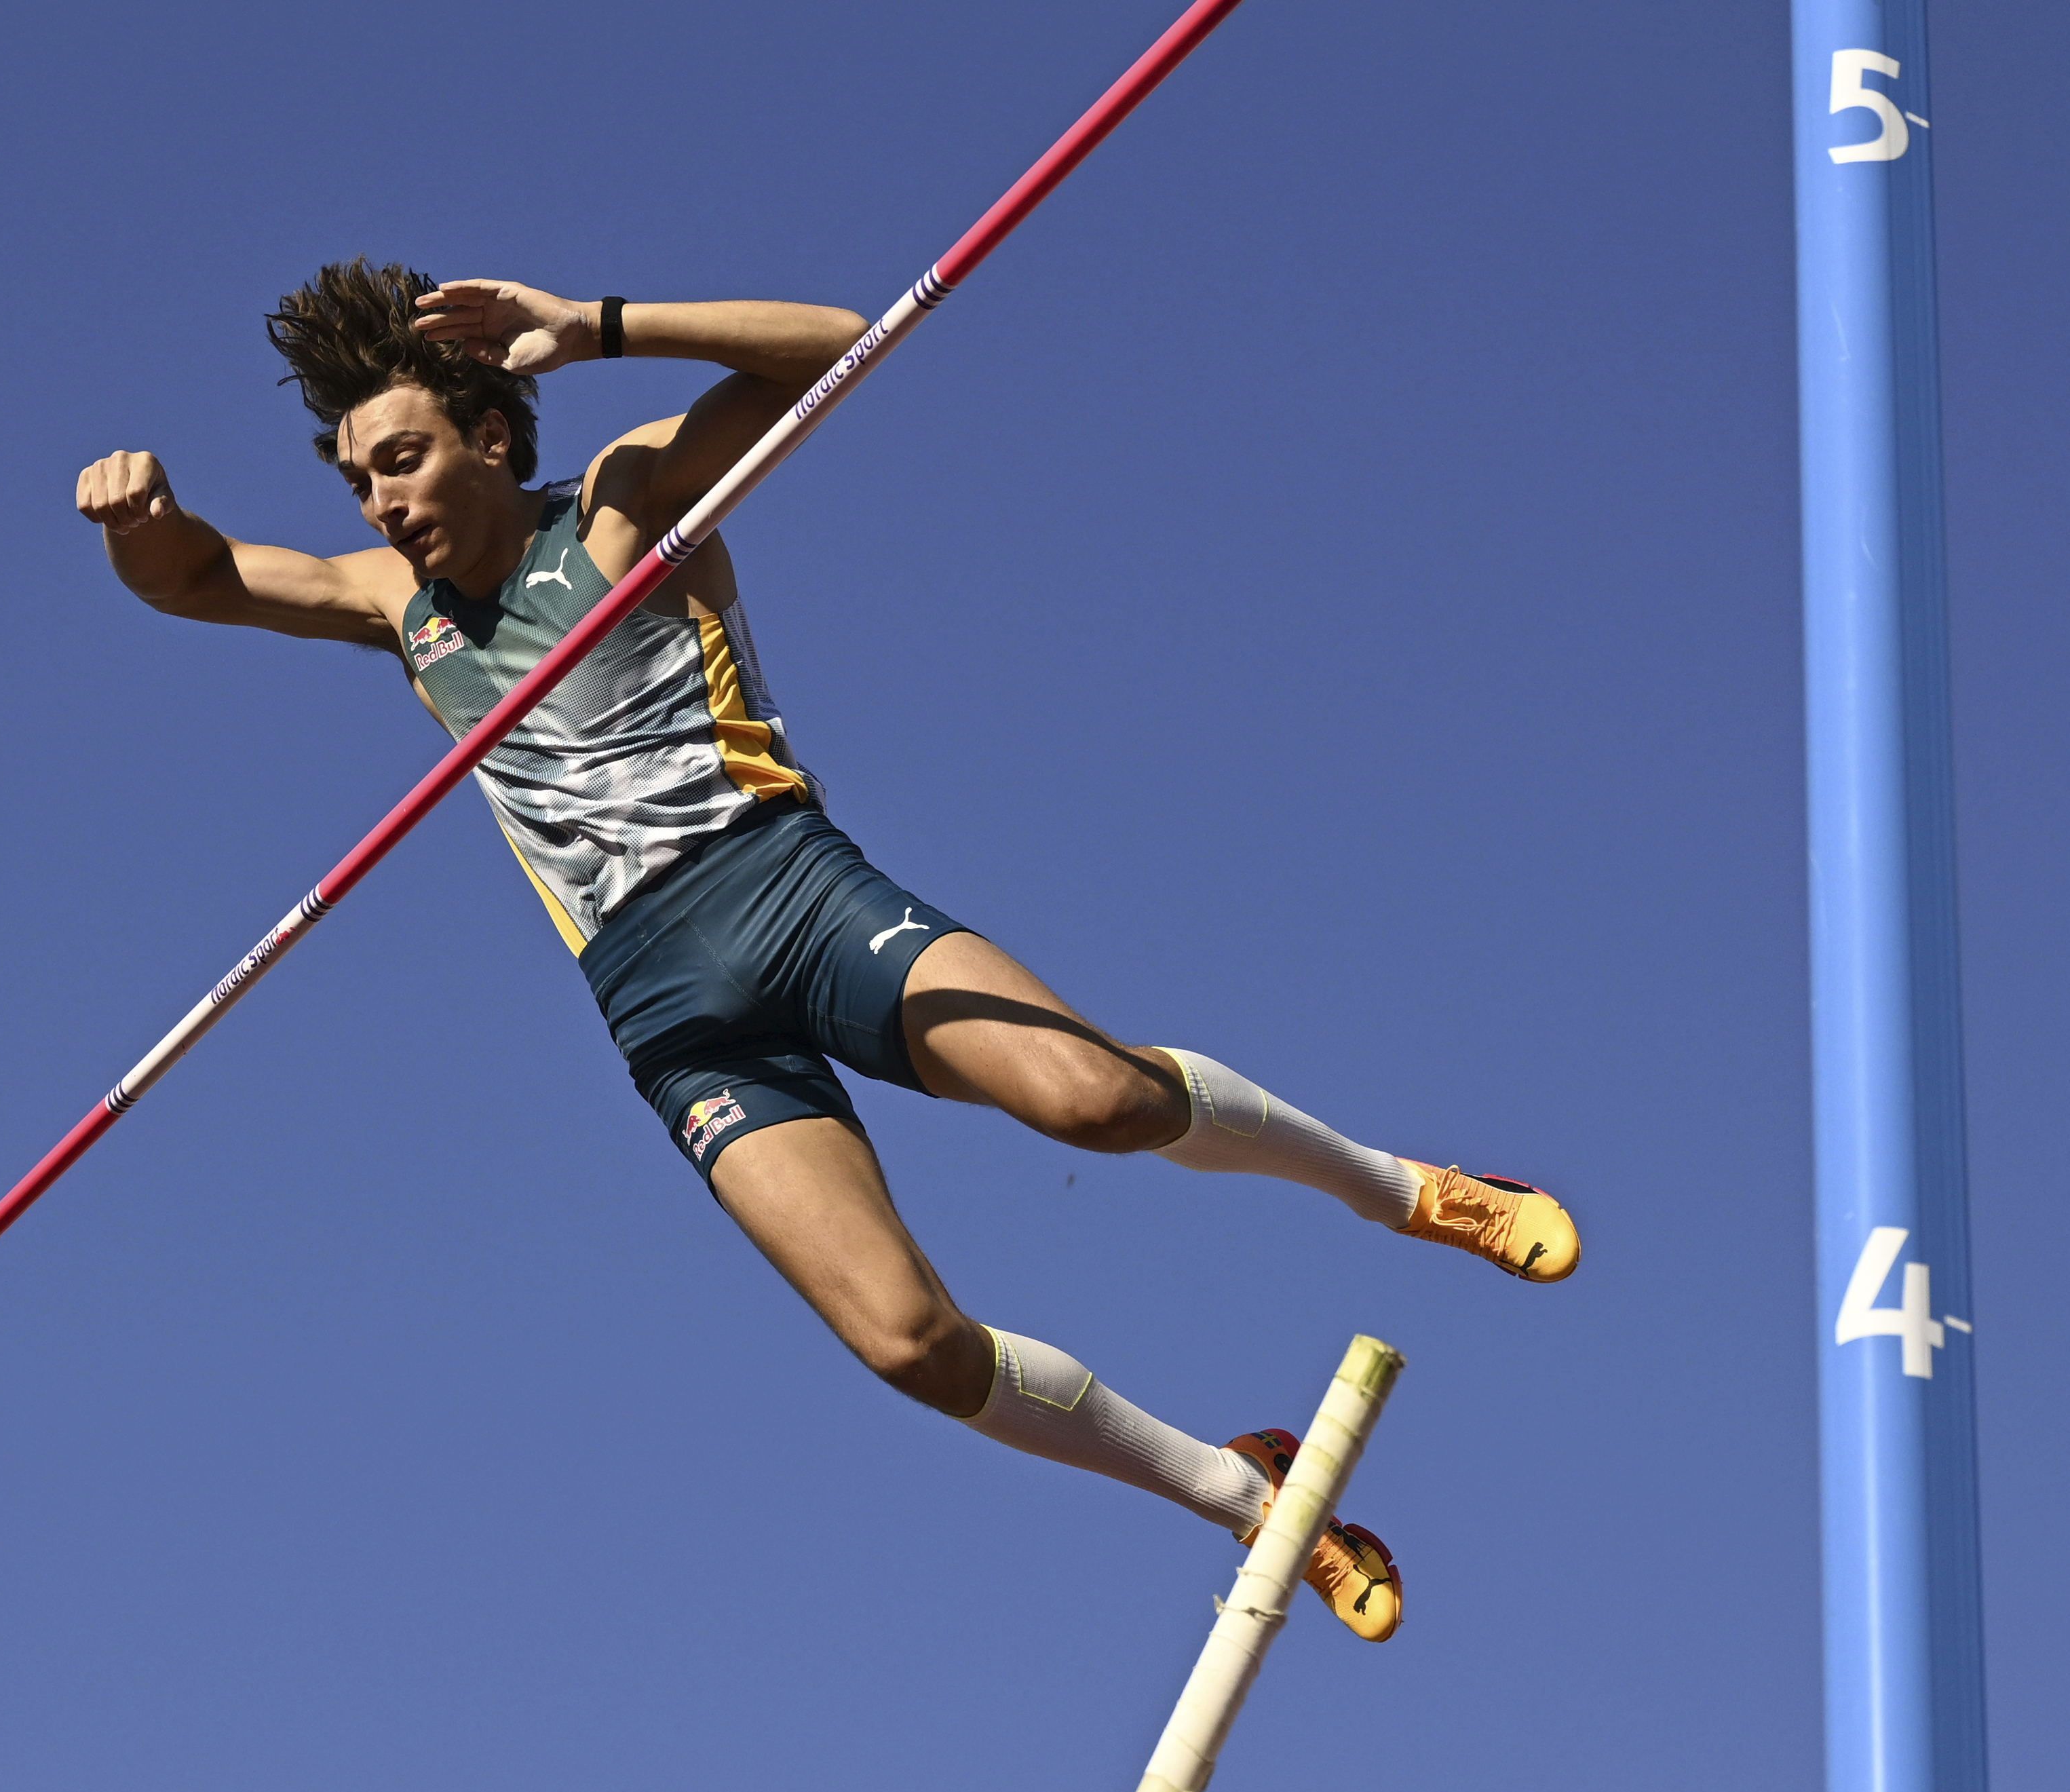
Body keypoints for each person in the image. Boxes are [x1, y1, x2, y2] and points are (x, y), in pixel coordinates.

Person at [77, 261, 1582, 1643]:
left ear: (485, 432)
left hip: (787, 891)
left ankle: (1413, 1192)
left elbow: (836, 349)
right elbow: (202, 579)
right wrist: (144, 525)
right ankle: (1251, 1496)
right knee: (908, 1343)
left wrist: (594, 328)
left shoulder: (620, 502)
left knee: (1097, 1105)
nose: (378, 504)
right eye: (355, 481)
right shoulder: (391, 610)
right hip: (668, 1011)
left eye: (398, 458)